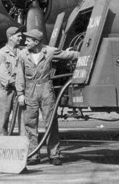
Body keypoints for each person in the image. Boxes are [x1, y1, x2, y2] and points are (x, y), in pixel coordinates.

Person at [15, 29, 79, 166]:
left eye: (28, 40)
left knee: (51, 123)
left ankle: (54, 155)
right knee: (30, 124)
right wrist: (20, 94)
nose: (25, 42)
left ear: (36, 42)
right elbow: (19, 75)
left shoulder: (49, 51)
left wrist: (87, 53)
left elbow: (69, 55)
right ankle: (33, 156)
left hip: (46, 89)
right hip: (29, 90)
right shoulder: (22, 55)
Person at [0, 26, 23, 136]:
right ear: (10, 37)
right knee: (3, 119)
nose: (21, 38)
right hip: (4, 90)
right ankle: (2, 144)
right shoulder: (1, 53)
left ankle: (24, 145)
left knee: (23, 118)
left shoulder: (22, 52)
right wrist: (18, 84)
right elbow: (2, 74)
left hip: (18, 90)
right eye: (18, 36)